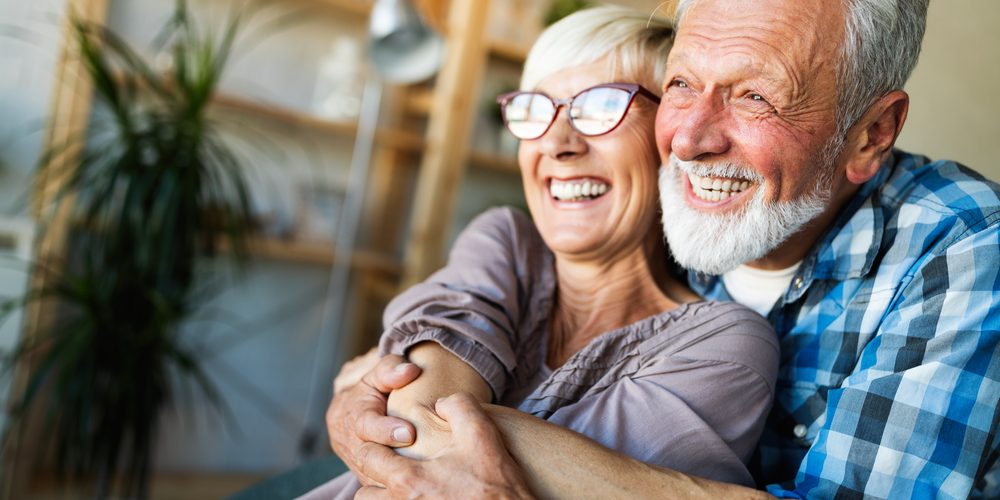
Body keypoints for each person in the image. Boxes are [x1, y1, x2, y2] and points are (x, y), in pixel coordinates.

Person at [327, 0, 1000, 498]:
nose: (690, 138)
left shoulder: (963, 245)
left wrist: (432, 414)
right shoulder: (677, 221)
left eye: (756, 96)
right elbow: (455, 319)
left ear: (871, 133)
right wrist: (377, 383)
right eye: (682, 84)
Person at [308, 6, 780, 499]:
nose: (557, 143)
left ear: (671, 137)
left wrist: (386, 394)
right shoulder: (506, 241)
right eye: (535, 109)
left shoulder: (724, 345)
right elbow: (414, 438)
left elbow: (415, 428)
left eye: (600, 107)